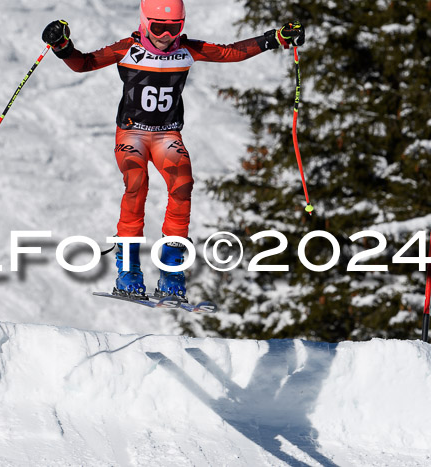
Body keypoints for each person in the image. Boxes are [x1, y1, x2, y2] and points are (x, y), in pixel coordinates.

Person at [42, 0, 304, 300]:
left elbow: (232, 53)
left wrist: (277, 37)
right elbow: (84, 63)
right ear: (144, 23)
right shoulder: (128, 48)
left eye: (174, 29)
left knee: (182, 185)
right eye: (159, 28)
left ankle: (172, 271)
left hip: (167, 133)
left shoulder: (187, 49)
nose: (167, 36)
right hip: (132, 133)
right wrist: (62, 45)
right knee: (136, 184)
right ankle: (128, 270)